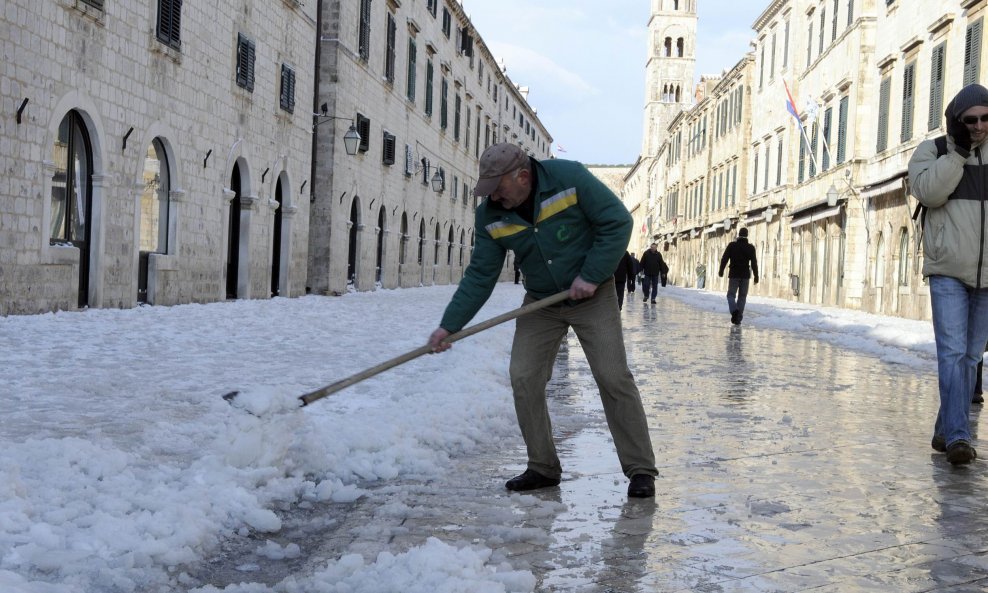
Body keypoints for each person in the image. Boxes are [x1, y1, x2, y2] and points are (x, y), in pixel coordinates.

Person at [426, 143, 658, 497]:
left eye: (498, 188)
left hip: (592, 295)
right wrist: (450, 326)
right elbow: (480, 274)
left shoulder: (570, 178)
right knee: (524, 376)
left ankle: (640, 469)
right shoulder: (491, 214)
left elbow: (618, 222)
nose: (494, 198)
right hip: (541, 302)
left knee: (613, 376)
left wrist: (592, 274)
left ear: (522, 177)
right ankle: (542, 466)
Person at [908, 83, 988, 465]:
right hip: (947, 270)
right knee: (953, 353)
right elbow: (928, 193)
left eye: (986, 118)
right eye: (970, 120)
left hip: (987, 276)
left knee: (972, 357)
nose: (978, 126)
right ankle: (959, 436)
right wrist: (958, 154)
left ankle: (944, 428)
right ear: (957, 121)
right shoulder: (935, 150)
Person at [718, 228, 759, 325]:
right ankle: (738, 318)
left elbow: (725, 258)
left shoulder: (732, 246)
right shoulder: (751, 248)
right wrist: (756, 276)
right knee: (742, 296)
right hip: (745, 275)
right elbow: (754, 263)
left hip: (734, 274)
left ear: (739, 234)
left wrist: (721, 270)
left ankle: (735, 311)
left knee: (730, 295)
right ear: (747, 235)